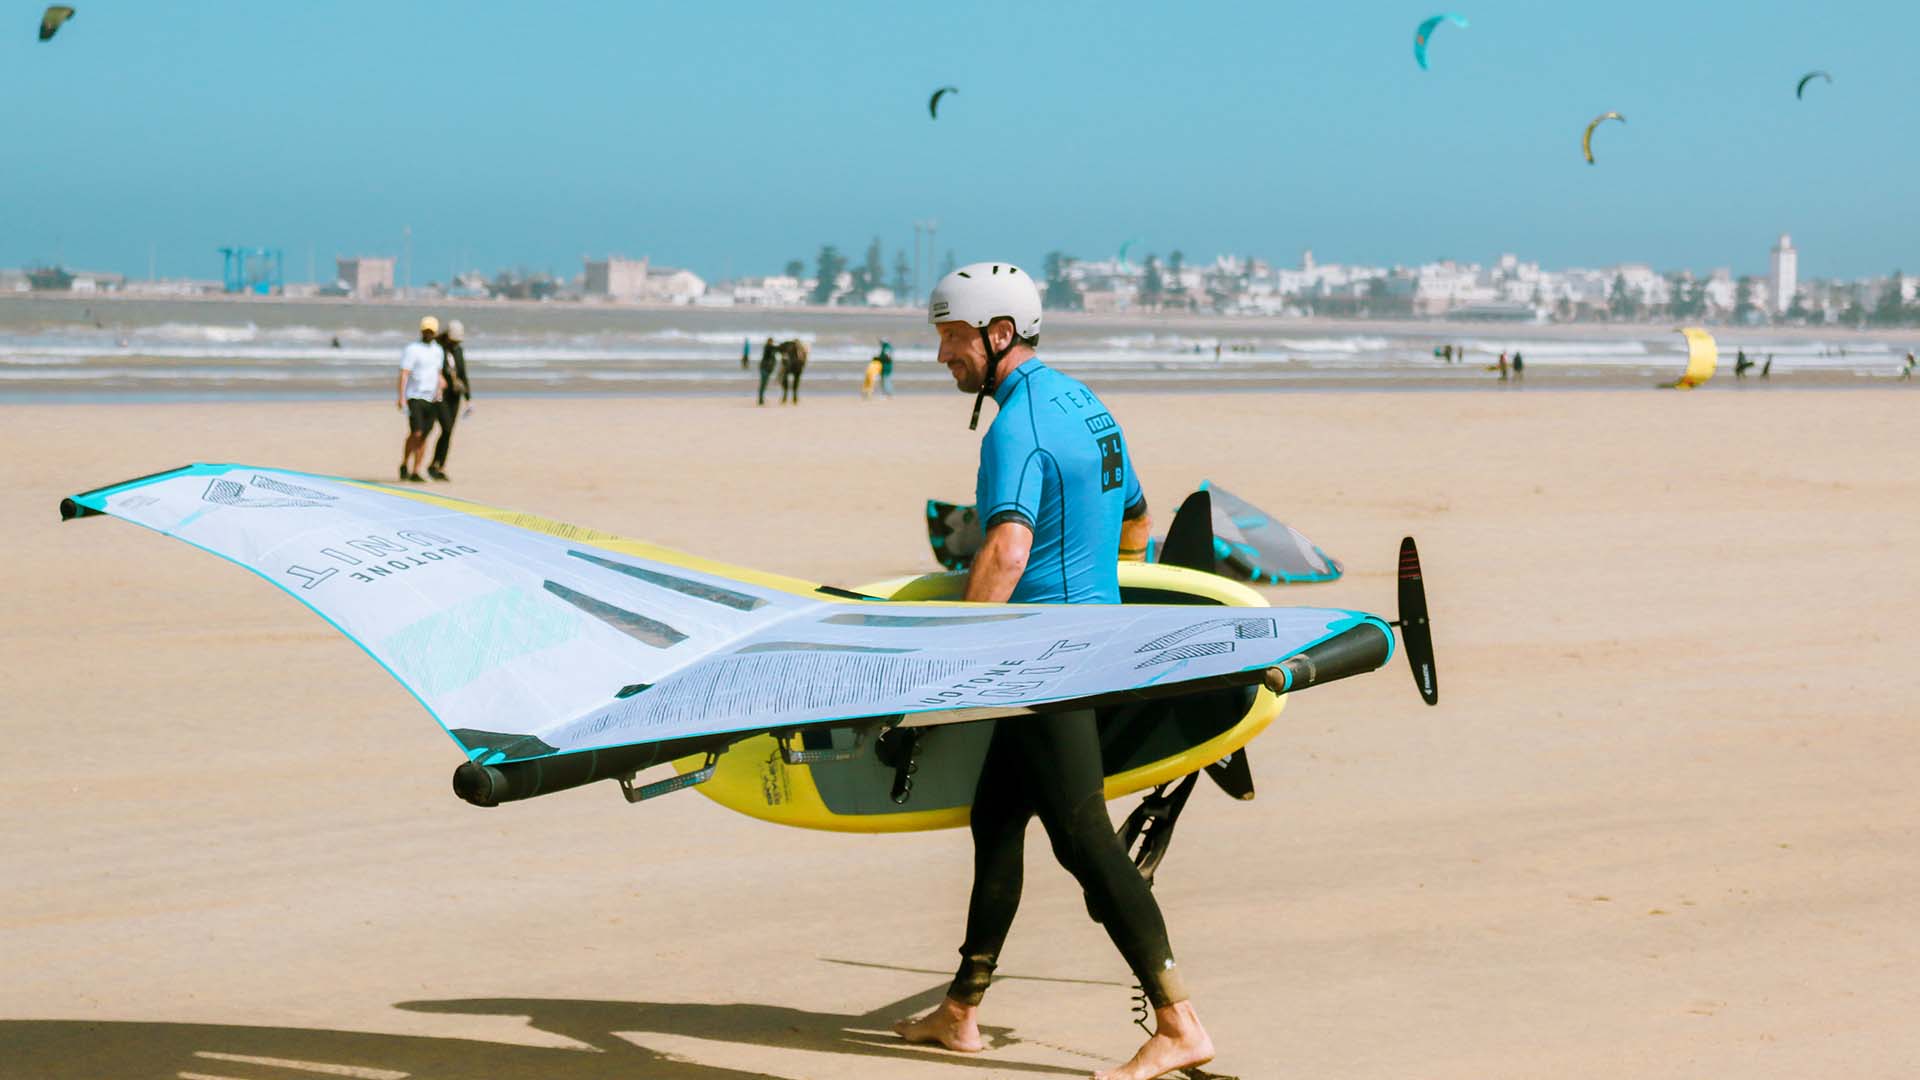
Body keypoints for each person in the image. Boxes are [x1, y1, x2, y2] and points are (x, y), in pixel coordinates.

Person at [891, 263, 1212, 1080]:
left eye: (951, 339)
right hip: (1086, 650)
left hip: (1046, 666)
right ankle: (961, 1011)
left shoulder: (1016, 429)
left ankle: (1180, 1023)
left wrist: (954, 664)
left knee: (1083, 841)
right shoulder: (1087, 404)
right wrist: (1111, 605)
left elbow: (1006, 549)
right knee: (997, 815)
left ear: (998, 334)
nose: (941, 357)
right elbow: (1138, 516)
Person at [396, 316, 445, 482]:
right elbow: (404, 373)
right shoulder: (412, 349)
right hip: (414, 396)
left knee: (424, 436)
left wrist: (440, 389)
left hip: (431, 399)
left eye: (431, 331)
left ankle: (416, 470)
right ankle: (404, 463)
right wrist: (401, 397)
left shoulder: (438, 351)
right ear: (421, 331)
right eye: (426, 330)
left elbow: (438, 373)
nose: (428, 333)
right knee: (416, 433)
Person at [429, 319, 473, 482]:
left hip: (455, 397)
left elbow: (463, 375)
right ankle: (427, 465)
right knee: (445, 427)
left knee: (448, 432)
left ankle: (438, 466)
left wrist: (468, 399)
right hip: (439, 395)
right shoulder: (436, 350)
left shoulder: (459, 351)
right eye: (453, 340)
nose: (455, 343)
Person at [757, 337, 778, 405]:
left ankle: (761, 398)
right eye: (770, 342)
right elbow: (769, 349)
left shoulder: (772, 350)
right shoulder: (767, 348)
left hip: (768, 369)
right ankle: (760, 399)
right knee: (763, 383)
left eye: (771, 342)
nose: (771, 343)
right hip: (764, 368)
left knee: (764, 384)